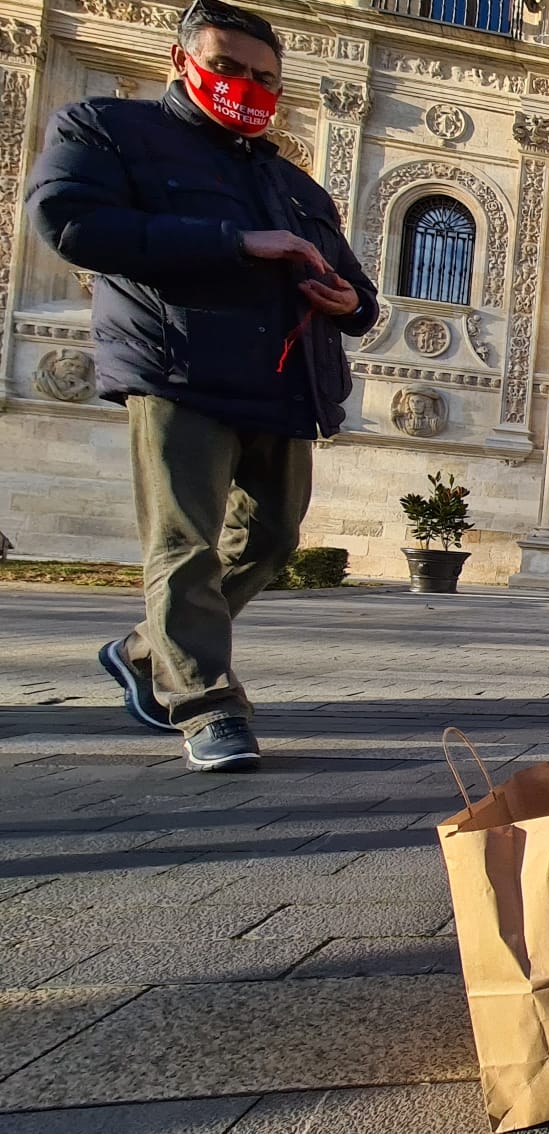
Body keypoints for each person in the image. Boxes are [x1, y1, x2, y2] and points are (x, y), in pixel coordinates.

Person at [27, 0, 378, 773]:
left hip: (281, 381)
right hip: (178, 366)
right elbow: (69, 223)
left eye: (264, 78)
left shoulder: (293, 183)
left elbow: (357, 289)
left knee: (274, 539)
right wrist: (234, 242)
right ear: (182, 61)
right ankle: (205, 703)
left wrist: (352, 302)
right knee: (184, 542)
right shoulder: (108, 130)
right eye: (228, 68)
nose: (246, 87)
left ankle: (143, 649)